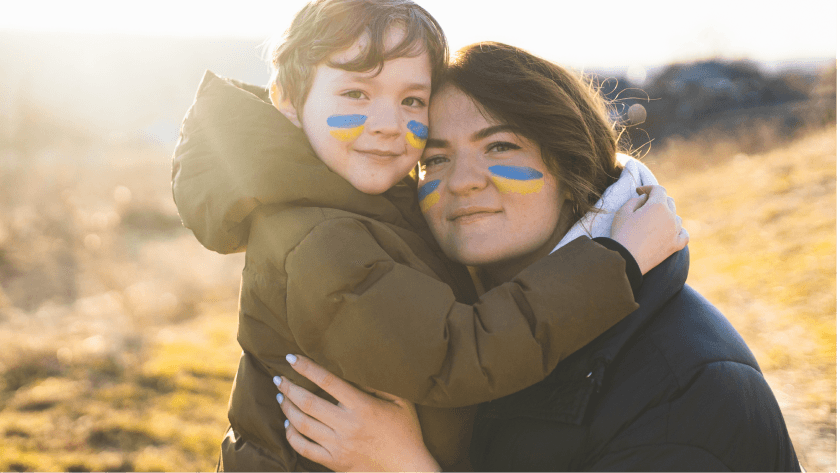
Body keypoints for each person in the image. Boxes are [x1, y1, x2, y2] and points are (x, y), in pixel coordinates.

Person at [171, 1, 685, 470]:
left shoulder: (360, 205)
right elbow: (458, 355)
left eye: (413, 101)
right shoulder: (319, 236)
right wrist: (618, 259)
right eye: (356, 93)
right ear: (287, 100)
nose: (389, 124)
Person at [273, 42, 801, 472]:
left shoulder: (684, 387)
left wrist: (405, 468)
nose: (461, 182)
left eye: (500, 146)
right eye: (435, 158)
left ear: (570, 165)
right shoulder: (448, 330)